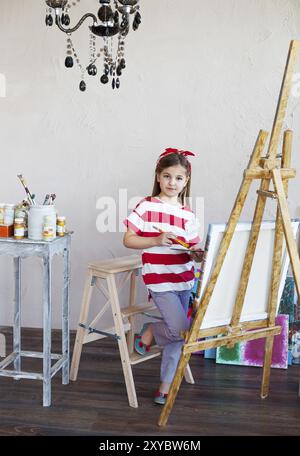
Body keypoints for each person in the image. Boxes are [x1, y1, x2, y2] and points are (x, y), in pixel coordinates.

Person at [123, 148, 203, 405]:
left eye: (178, 178)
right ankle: (149, 331)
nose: (172, 183)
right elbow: (128, 239)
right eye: (167, 176)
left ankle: (164, 386)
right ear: (158, 176)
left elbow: (190, 247)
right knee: (180, 329)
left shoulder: (188, 215)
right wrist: (156, 239)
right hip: (159, 279)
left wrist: (197, 255)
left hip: (184, 278)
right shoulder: (146, 206)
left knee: (179, 335)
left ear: (186, 180)